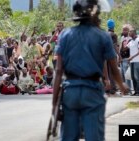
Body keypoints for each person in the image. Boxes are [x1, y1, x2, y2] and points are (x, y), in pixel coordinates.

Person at [52, 1, 128, 141]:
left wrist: (54, 102)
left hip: (70, 92)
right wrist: (121, 85)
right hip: (92, 91)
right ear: (95, 14)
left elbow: (58, 70)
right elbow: (113, 66)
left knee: (68, 137)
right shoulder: (102, 36)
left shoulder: (65, 35)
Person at [127, 29, 139, 96]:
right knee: (133, 77)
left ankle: (138, 91)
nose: (129, 33)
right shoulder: (131, 41)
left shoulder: (138, 40)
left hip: (137, 61)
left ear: (134, 33)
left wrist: (132, 57)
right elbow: (126, 49)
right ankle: (136, 91)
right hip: (132, 61)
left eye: (130, 31)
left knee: (137, 77)